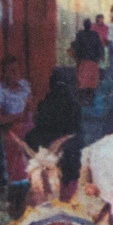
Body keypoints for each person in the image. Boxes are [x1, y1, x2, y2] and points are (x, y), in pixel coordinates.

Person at [25, 67, 83, 195]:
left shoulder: (48, 100)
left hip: (53, 143)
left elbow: (40, 121)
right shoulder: (71, 101)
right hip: (61, 144)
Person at [0, 55, 35, 212]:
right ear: (4, 73)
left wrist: (28, 111)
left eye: (17, 70)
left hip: (27, 128)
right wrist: (17, 117)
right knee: (14, 151)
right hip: (9, 130)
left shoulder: (24, 86)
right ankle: (14, 196)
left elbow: (30, 109)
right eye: (11, 71)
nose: (15, 74)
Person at [72, 18, 105, 107]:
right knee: (92, 80)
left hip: (83, 60)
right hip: (93, 60)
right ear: (90, 26)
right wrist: (101, 56)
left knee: (83, 79)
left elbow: (77, 47)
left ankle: (83, 99)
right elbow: (99, 46)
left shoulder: (80, 34)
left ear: (84, 25)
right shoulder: (95, 34)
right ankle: (90, 98)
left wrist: (77, 57)